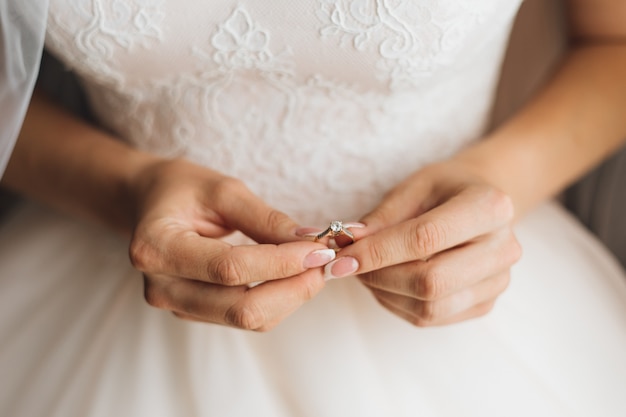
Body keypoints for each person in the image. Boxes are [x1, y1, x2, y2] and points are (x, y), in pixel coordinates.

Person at [1, 0, 626, 416]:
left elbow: (613, 39)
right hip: (98, 303)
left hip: (476, 314)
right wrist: (123, 187)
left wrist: (495, 178)